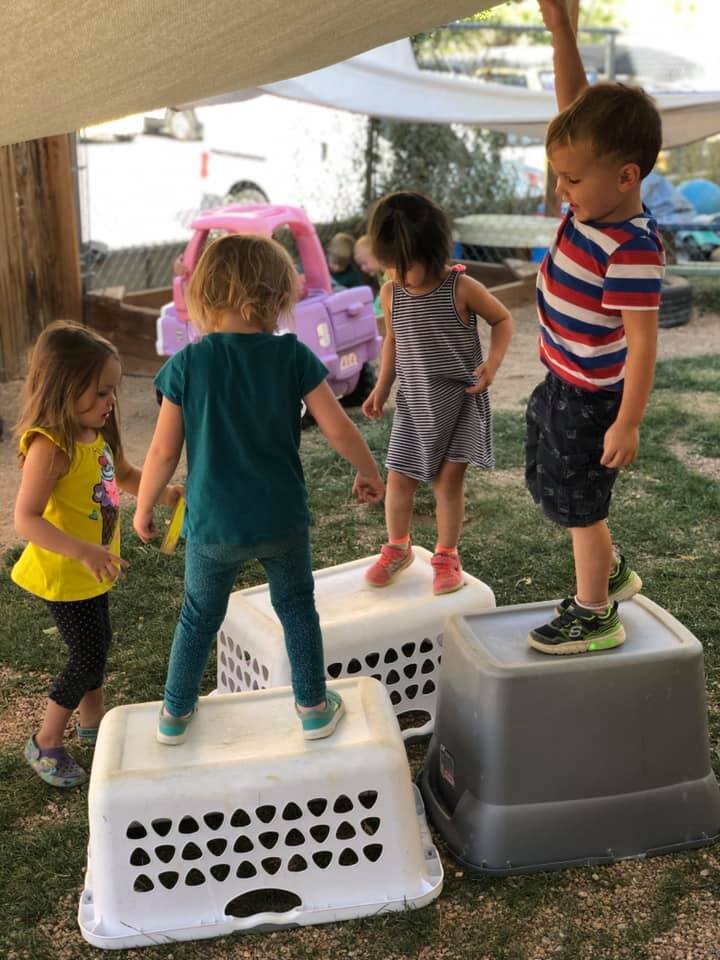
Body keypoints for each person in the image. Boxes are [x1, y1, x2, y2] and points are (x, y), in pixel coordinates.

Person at [134, 234, 384, 745]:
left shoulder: (187, 365)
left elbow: (162, 453)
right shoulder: (291, 356)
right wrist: (369, 470)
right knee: (296, 608)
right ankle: (313, 708)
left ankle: (174, 716)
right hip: (281, 520)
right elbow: (339, 428)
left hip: (212, 526)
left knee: (200, 617)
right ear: (276, 300)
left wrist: (142, 508)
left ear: (205, 296)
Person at [525, 0, 665, 655]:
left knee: (583, 509)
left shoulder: (630, 250)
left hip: (592, 398)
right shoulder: (596, 195)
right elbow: (572, 105)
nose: (563, 187)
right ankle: (610, 571)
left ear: (626, 176)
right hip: (562, 379)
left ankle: (594, 611)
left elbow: (643, 344)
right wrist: (562, 32)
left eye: (572, 177)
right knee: (554, 488)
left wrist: (628, 420)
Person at [12, 321, 182, 788]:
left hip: (92, 568)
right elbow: (25, 518)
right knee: (87, 652)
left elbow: (124, 475)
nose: (111, 403)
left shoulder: (96, 437)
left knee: (96, 642)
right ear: (65, 388)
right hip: (65, 571)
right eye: (102, 392)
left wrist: (162, 492)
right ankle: (45, 741)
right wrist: (83, 551)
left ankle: (94, 723)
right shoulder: (51, 446)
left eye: (113, 392)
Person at [361, 191, 513, 595]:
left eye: (405, 266)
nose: (397, 275)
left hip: (461, 400)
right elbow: (392, 341)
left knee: (447, 483)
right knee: (399, 479)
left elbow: (503, 319)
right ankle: (398, 547)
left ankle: (446, 555)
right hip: (414, 404)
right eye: (391, 266)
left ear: (433, 253)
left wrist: (492, 365)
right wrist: (382, 386)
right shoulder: (391, 294)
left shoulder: (461, 287)